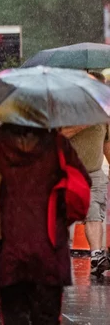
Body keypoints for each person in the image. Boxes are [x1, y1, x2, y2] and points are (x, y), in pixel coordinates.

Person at [0, 125, 90, 324]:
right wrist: (60, 216)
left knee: (14, 316)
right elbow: (81, 193)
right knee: (46, 317)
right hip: (49, 251)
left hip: (10, 251)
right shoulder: (59, 146)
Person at [61, 71, 110, 277]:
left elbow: (107, 142)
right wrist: (83, 124)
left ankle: (97, 256)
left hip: (94, 172)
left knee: (94, 212)